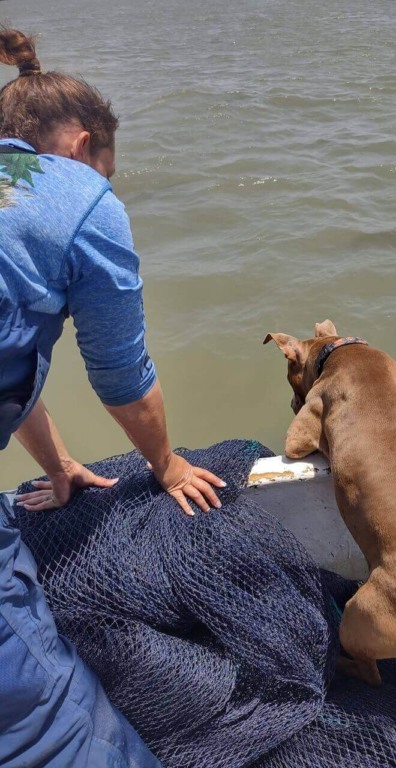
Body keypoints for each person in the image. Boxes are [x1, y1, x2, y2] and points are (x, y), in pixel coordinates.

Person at [0, 28, 223, 765]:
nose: (107, 184)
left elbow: (9, 355)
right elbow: (123, 376)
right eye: (108, 170)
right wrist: (167, 465)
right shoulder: (81, 197)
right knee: (54, 725)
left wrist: (59, 465)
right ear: (83, 145)